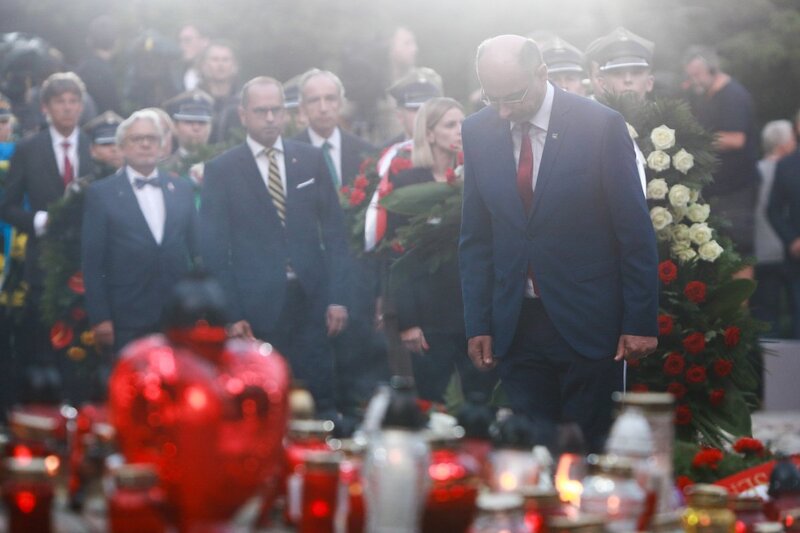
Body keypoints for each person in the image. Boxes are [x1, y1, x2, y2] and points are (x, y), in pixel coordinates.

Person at [459, 35, 658, 451]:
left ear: (542, 74)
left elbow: (633, 231)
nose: (502, 110)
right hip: (516, 322)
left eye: (512, 96)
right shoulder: (478, 131)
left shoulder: (598, 125)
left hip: (589, 321)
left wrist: (639, 320)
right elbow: (476, 237)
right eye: (490, 98)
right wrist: (478, 321)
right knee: (530, 452)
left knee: (586, 449)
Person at [200, 77, 350, 417]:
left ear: (286, 112)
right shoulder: (222, 170)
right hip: (256, 307)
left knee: (319, 396)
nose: (270, 118)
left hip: (312, 299)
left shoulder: (310, 159)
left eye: (276, 110)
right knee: (262, 399)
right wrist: (232, 312)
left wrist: (338, 296)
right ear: (243, 115)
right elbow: (213, 250)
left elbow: (336, 234)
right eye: (261, 111)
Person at [387, 96, 497, 402]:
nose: (460, 131)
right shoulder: (408, 183)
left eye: (463, 123)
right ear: (430, 133)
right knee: (430, 401)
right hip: (429, 314)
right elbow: (398, 256)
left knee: (480, 400)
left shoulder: (476, 177)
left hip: (472, 314)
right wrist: (408, 322)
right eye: (451, 125)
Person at [0, 72, 95, 402]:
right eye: (60, 102)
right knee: (44, 341)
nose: (67, 109)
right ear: (46, 108)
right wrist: (39, 221)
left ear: (81, 106)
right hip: (44, 263)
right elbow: (7, 206)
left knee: (84, 344)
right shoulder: (29, 148)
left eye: (73, 102)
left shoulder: (93, 145)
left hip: (88, 261)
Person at [293, 69, 382, 415]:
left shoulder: (367, 155)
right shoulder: (288, 154)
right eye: (314, 100)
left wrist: (377, 291)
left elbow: (377, 228)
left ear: (341, 102)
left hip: (358, 282)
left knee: (356, 384)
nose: (323, 108)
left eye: (330, 99)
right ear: (302, 108)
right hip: (309, 286)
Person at [82, 109, 199, 353]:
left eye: (152, 138)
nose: (146, 144)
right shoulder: (101, 194)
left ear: (163, 145)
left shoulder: (182, 189)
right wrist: (100, 317)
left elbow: (198, 252)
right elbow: (93, 262)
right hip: (126, 315)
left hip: (176, 315)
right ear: (122, 147)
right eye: (137, 139)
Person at [684, 46, 759, 265]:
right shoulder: (707, 97)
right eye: (690, 75)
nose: (693, 80)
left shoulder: (733, 96)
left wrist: (698, 141)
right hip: (719, 190)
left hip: (736, 190)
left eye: (697, 74)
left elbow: (736, 139)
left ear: (712, 69)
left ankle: (743, 299)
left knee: (739, 251)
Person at [753, 120, 795, 337]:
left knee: (766, 319)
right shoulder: (790, 171)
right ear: (785, 144)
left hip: (762, 253)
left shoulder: (755, 170)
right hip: (789, 252)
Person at [382, 67, 444, 148]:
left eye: (431, 108)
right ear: (400, 116)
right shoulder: (385, 155)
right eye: (416, 109)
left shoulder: (460, 151)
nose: (425, 115)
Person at [75, 15, 122, 115]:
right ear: (116, 42)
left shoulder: (83, 67)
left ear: (89, 40)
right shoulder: (104, 70)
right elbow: (111, 108)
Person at [197, 40, 241, 143]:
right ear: (204, 65)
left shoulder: (244, 102)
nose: (220, 64)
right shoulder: (195, 101)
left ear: (234, 66)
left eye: (225, 60)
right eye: (215, 59)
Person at [83, 110, 124, 180]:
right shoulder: (83, 187)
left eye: (119, 143)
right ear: (92, 150)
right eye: (106, 144)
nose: (114, 149)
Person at [177, 22, 211, 91]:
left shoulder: (221, 74)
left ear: (205, 41)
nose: (182, 46)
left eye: (187, 40)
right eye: (180, 41)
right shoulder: (183, 74)